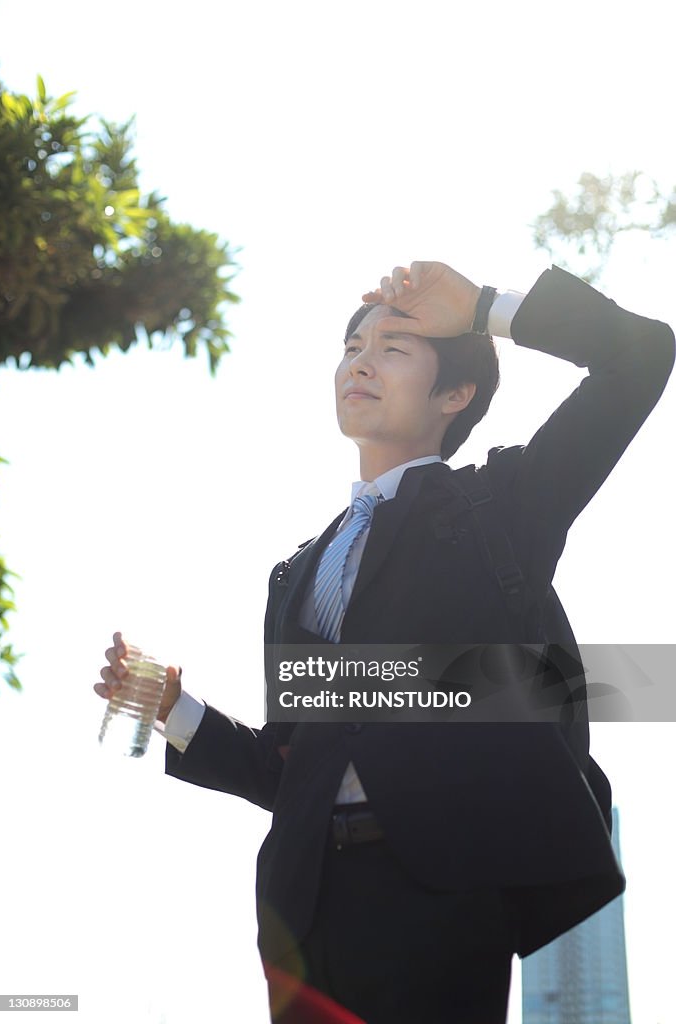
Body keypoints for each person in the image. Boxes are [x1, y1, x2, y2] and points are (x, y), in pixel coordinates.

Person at [95, 260, 674, 1024]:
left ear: (454, 394)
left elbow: (640, 353)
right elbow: (292, 768)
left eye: (395, 348)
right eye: (353, 345)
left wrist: (480, 308)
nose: (361, 360)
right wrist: (178, 709)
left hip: (443, 888)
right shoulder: (297, 571)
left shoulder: (501, 508)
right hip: (303, 911)